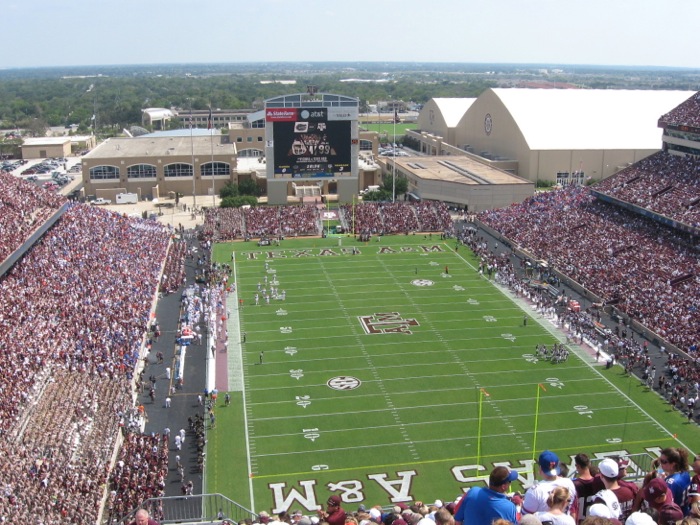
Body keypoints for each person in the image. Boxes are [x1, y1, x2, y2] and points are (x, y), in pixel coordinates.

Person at [453, 465, 518, 525]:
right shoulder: (509, 507)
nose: (510, 484)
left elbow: (457, 520)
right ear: (503, 486)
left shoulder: (472, 492)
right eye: (509, 482)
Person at [523, 450, 577, 521]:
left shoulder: (535, 491)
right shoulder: (569, 483)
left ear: (540, 468)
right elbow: (573, 509)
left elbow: (526, 520)